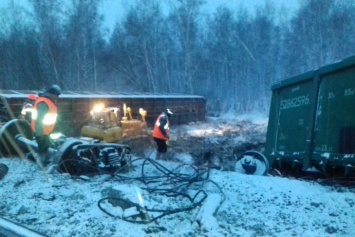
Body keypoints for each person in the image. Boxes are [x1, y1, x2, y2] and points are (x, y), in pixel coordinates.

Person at [30, 85, 61, 167]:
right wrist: (39, 134)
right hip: (41, 132)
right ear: (51, 94)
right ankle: (40, 164)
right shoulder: (43, 103)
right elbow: (39, 120)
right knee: (42, 149)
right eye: (56, 95)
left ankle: (36, 158)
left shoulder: (48, 101)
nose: (57, 97)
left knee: (45, 147)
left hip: (46, 131)